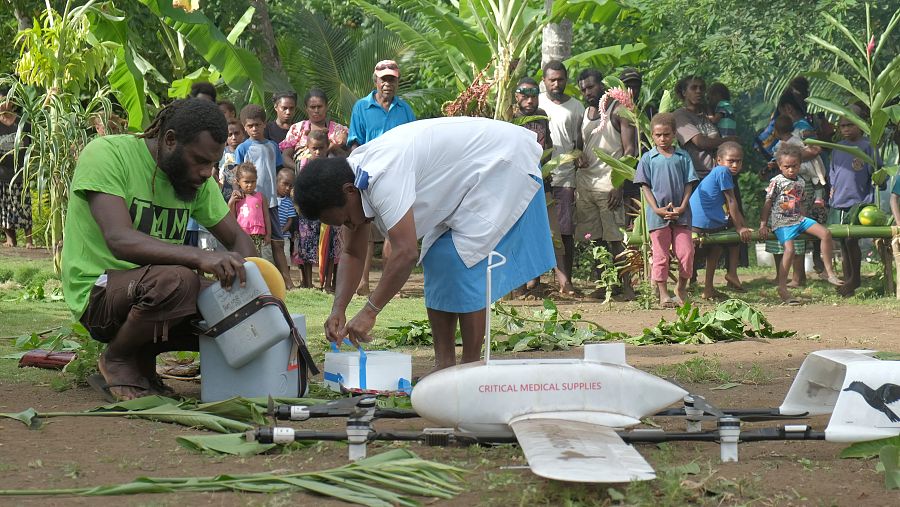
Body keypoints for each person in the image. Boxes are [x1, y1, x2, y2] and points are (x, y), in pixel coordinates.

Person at [294, 117, 554, 373]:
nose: (350, 226)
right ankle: (444, 365)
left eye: (347, 220)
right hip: (467, 177)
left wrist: (370, 311)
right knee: (436, 256)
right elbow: (351, 252)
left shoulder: (381, 177)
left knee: (461, 257)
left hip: (502, 162)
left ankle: (472, 367)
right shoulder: (350, 181)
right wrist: (338, 308)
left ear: (349, 191)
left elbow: (406, 253)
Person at [60, 98, 256, 400]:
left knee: (235, 310)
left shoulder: (197, 183)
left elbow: (239, 240)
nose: (208, 172)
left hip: (155, 290)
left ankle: (142, 362)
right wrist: (202, 257)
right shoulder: (108, 155)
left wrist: (252, 288)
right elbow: (119, 239)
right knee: (179, 280)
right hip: (99, 292)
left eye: (213, 163)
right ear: (170, 139)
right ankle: (118, 358)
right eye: (201, 160)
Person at [347, 60, 416, 295]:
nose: (387, 83)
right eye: (383, 79)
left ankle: (390, 285)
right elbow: (355, 142)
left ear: (397, 81)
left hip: (398, 177)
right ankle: (362, 282)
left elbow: (413, 142)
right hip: (368, 176)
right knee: (365, 228)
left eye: (392, 79)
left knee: (393, 230)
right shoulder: (361, 107)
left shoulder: (404, 109)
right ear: (375, 80)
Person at [575, 68, 635, 300]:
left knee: (616, 239)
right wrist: (578, 154)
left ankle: (627, 286)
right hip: (586, 186)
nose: (587, 92)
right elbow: (580, 144)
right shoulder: (585, 112)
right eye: (583, 89)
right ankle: (605, 285)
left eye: (590, 87)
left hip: (609, 184)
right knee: (594, 239)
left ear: (602, 85)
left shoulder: (618, 111)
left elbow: (630, 150)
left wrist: (619, 184)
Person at [760, 144, 843, 304]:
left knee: (825, 234)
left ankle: (829, 272)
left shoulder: (801, 181)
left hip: (799, 219)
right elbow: (768, 203)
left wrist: (804, 219)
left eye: (794, 166)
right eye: (787, 167)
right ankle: (782, 286)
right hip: (782, 222)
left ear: (800, 165)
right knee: (789, 250)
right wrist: (763, 224)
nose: (791, 170)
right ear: (780, 166)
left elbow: (802, 202)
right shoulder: (776, 181)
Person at [634, 113, 698, 308]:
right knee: (660, 255)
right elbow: (645, 186)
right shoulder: (648, 159)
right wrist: (656, 209)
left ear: (674, 134)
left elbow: (689, 184)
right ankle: (663, 294)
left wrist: (682, 206)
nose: (663, 139)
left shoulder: (683, 157)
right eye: (658, 135)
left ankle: (681, 287)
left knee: (686, 253)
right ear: (652, 136)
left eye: (667, 134)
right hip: (657, 216)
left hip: (682, 214)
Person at [539, 59, 584, 296]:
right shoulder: (535, 102)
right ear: (544, 80)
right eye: (552, 79)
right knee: (538, 229)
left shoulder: (576, 107)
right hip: (539, 176)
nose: (557, 83)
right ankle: (533, 282)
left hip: (565, 177)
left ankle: (567, 281)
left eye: (561, 79)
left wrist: (578, 158)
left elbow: (579, 142)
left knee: (565, 231)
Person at [689, 142, 753, 300]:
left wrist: (741, 224)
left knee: (716, 248)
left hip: (699, 221)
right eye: (731, 160)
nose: (735, 165)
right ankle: (730, 273)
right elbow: (731, 201)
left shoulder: (718, 173)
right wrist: (740, 228)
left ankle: (710, 287)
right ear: (719, 160)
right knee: (729, 235)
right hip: (702, 223)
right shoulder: (722, 171)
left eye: (738, 161)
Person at [829, 108, 882, 297]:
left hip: (860, 203)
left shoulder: (868, 147)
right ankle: (848, 278)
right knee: (843, 242)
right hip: (839, 202)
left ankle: (855, 278)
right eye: (842, 126)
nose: (846, 129)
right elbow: (833, 174)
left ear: (860, 124)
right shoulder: (838, 147)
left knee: (852, 239)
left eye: (850, 125)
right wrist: (831, 195)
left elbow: (877, 175)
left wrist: (879, 180)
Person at [512, 76, 553, 296]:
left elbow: (549, 145)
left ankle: (534, 282)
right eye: (525, 95)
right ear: (517, 96)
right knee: (517, 231)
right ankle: (517, 282)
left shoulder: (543, 116)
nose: (529, 100)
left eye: (533, 95)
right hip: (516, 183)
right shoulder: (510, 116)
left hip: (539, 178)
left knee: (537, 231)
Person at [235, 104, 285, 265]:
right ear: (245, 128)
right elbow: (236, 173)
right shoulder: (243, 148)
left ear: (264, 124)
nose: (254, 128)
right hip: (250, 202)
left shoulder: (273, 146)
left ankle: (284, 277)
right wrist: (237, 192)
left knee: (276, 239)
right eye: (250, 126)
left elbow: (278, 171)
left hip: (270, 200)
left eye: (258, 124)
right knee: (250, 237)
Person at [293, 130, 330, 288]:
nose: (317, 152)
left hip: (327, 213)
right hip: (307, 213)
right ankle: (307, 282)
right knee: (306, 247)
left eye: (321, 148)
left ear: (327, 147)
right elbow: (298, 188)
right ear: (308, 147)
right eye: (314, 148)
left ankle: (326, 283)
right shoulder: (302, 165)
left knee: (328, 246)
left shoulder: (331, 165)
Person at [281, 88, 349, 170]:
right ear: (306, 108)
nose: (316, 110)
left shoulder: (339, 130)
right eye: (312, 107)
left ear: (327, 107)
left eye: (319, 107)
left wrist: (334, 147)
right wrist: (299, 169)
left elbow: (349, 157)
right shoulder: (297, 129)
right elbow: (285, 157)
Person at [0, 87, 33, 248]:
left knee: (24, 205)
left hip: (21, 172)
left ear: (11, 102)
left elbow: (32, 144)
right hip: (2, 173)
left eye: (3, 100)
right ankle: (10, 240)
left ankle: (29, 240)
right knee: (4, 206)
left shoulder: (23, 122)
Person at [673, 75, 724, 179]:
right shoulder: (680, 115)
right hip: (698, 177)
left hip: (719, 172)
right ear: (684, 92)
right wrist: (729, 140)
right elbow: (701, 142)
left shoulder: (708, 113)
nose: (698, 91)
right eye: (693, 88)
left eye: (701, 88)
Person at [228, 162, 270, 254]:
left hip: (257, 234)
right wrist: (231, 202)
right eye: (246, 182)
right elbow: (232, 216)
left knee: (256, 257)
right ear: (238, 181)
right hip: (242, 233)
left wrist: (268, 234)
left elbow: (266, 216)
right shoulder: (237, 197)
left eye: (253, 181)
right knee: (244, 257)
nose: (250, 185)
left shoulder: (261, 197)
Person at [275, 168, 298, 289]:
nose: (288, 188)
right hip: (272, 236)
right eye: (285, 184)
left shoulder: (288, 202)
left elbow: (290, 219)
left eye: (290, 186)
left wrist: (283, 230)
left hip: (284, 236)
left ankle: (286, 279)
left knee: (286, 258)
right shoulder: (270, 199)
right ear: (276, 182)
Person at [218, 119, 245, 201]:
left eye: (236, 133)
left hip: (243, 194)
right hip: (223, 195)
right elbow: (213, 171)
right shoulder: (220, 152)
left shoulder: (247, 152)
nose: (234, 137)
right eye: (230, 134)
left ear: (243, 134)